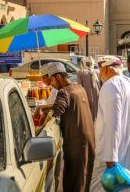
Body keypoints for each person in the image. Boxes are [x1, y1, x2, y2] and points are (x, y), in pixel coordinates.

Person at [90, 56, 130, 192]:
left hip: (113, 155)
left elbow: (112, 123)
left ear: (105, 69)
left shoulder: (110, 86)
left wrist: (110, 159)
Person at [34, 62, 95, 192]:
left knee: (73, 180)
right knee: (83, 179)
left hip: (77, 143)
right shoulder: (79, 89)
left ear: (58, 77)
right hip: (88, 141)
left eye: (51, 80)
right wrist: (43, 108)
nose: (51, 83)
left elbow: (57, 110)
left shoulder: (64, 92)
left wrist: (41, 112)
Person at [77, 56, 101, 122]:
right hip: (98, 99)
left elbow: (80, 89)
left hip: (87, 100)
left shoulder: (81, 73)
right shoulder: (97, 72)